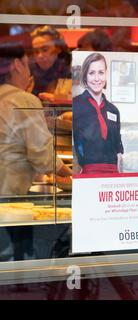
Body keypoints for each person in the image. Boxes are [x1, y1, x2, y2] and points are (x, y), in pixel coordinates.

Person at [0, 41, 72, 260]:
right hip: (8, 191)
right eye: (27, 64)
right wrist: (71, 175)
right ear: (17, 65)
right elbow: (43, 157)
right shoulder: (24, 100)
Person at [73, 52, 124, 174]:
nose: (97, 78)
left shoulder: (113, 110)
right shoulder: (76, 105)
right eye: (92, 73)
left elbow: (118, 148)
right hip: (87, 172)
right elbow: (75, 145)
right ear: (85, 76)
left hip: (112, 173)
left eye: (101, 73)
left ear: (106, 74)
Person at [29, 26, 71, 100]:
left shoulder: (73, 69)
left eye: (45, 50)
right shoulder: (28, 72)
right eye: (36, 52)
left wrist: (58, 99)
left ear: (58, 49)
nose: (40, 56)